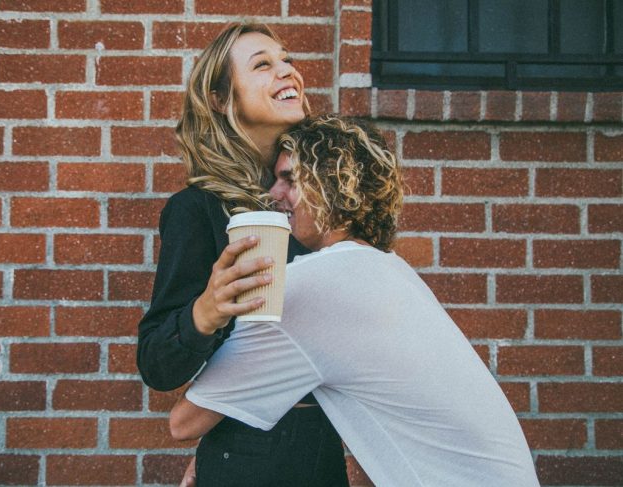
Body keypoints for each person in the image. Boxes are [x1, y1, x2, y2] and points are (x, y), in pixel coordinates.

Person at [170, 115, 541, 486]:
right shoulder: (387, 270)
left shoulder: (309, 287)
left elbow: (184, 422)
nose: (273, 194)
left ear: (333, 185)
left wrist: (212, 311)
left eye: (290, 179)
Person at [137, 24, 349, 486]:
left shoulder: (324, 198)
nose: (287, 70)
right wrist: (205, 314)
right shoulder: (198, 210)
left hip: (324, 447)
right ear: (220, 98)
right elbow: (156, 363)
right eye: (263, 64)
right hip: (250, 455)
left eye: (287, 59)